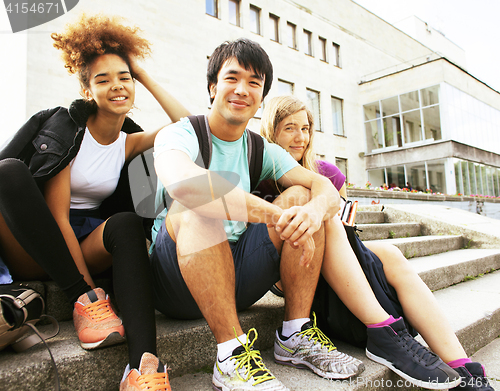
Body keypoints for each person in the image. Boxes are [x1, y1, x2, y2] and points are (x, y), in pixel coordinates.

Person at [150, 38, 365, 391]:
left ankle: (294, 335)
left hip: (237, 274)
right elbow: (183, 183)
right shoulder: (183, 132)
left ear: (261, 98)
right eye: (232, 78)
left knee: (299, 195)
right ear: (212, 86)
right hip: (176, 277)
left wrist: (311, 212)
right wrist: (270, 214)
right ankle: (231, 355)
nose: (242, 90)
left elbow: (322, 186)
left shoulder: (257, 146)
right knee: (198, 203)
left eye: (254, 82)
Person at [0, 14, 190, 390]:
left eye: (124, 78)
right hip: (38, 242)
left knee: (123, 223)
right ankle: (82, 300)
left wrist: (144, 75)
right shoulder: (67, 132)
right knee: (8, 171)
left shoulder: (129, 141)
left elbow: (188, 126)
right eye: (103, 80)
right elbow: (57, 220)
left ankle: (143, 369)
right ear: (88, 91)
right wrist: (90, 295)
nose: (117, 86)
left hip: (84, 241)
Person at [258, 94, 495, 391]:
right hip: (299, 274)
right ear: (271, 131)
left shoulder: (327, 174)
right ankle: (384, 333)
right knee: (324, 213)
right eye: (290, 128)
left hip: (337, 264)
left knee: (391, 253)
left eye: (305, 129)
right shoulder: (261, 178)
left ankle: (466, 370)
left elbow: (346, 230)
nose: (300, 137)